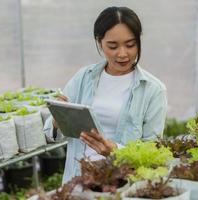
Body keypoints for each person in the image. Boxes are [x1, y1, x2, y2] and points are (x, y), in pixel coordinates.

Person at [44, 6, 167, 184]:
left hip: (121, 184)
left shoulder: (152, 89)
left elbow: (152, 151)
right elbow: (51, 133)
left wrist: (116, 151)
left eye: (130, 45)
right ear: (99, 42)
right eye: (113, 46)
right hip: (77, 181)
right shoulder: (83, 77)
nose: (123, 54)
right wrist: (58, 119)